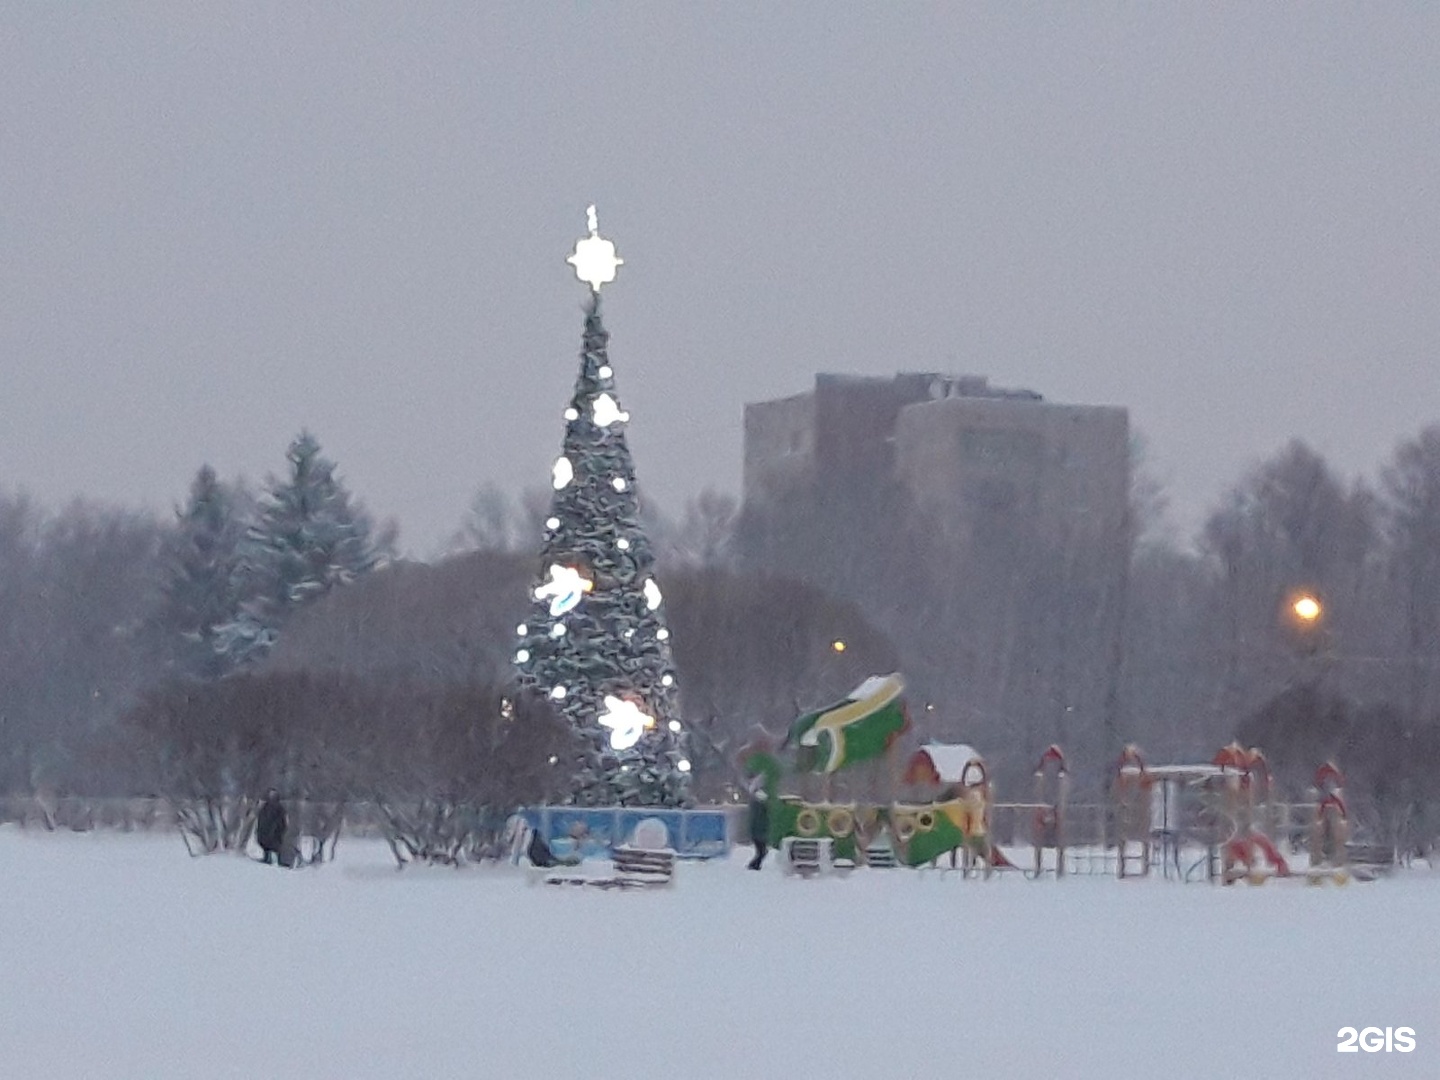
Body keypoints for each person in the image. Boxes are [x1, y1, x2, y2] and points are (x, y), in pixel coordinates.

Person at [256, 790, 288, 866]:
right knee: (265, 844)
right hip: (265, 830)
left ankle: (280, 860)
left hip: (275, 830)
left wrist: (279, 828)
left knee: (276, 846)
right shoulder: (265, 807)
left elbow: (282, 820)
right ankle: (266, 857)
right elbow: (261, 818)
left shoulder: (280, 808)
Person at [747, 784, 770, 870]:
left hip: (757, 834)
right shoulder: (760, 810)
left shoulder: (756, 808)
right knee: (762, 852)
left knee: (761, 852)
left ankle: (755, 865)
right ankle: (754, 865)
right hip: (759, 834)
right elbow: (761, 822)